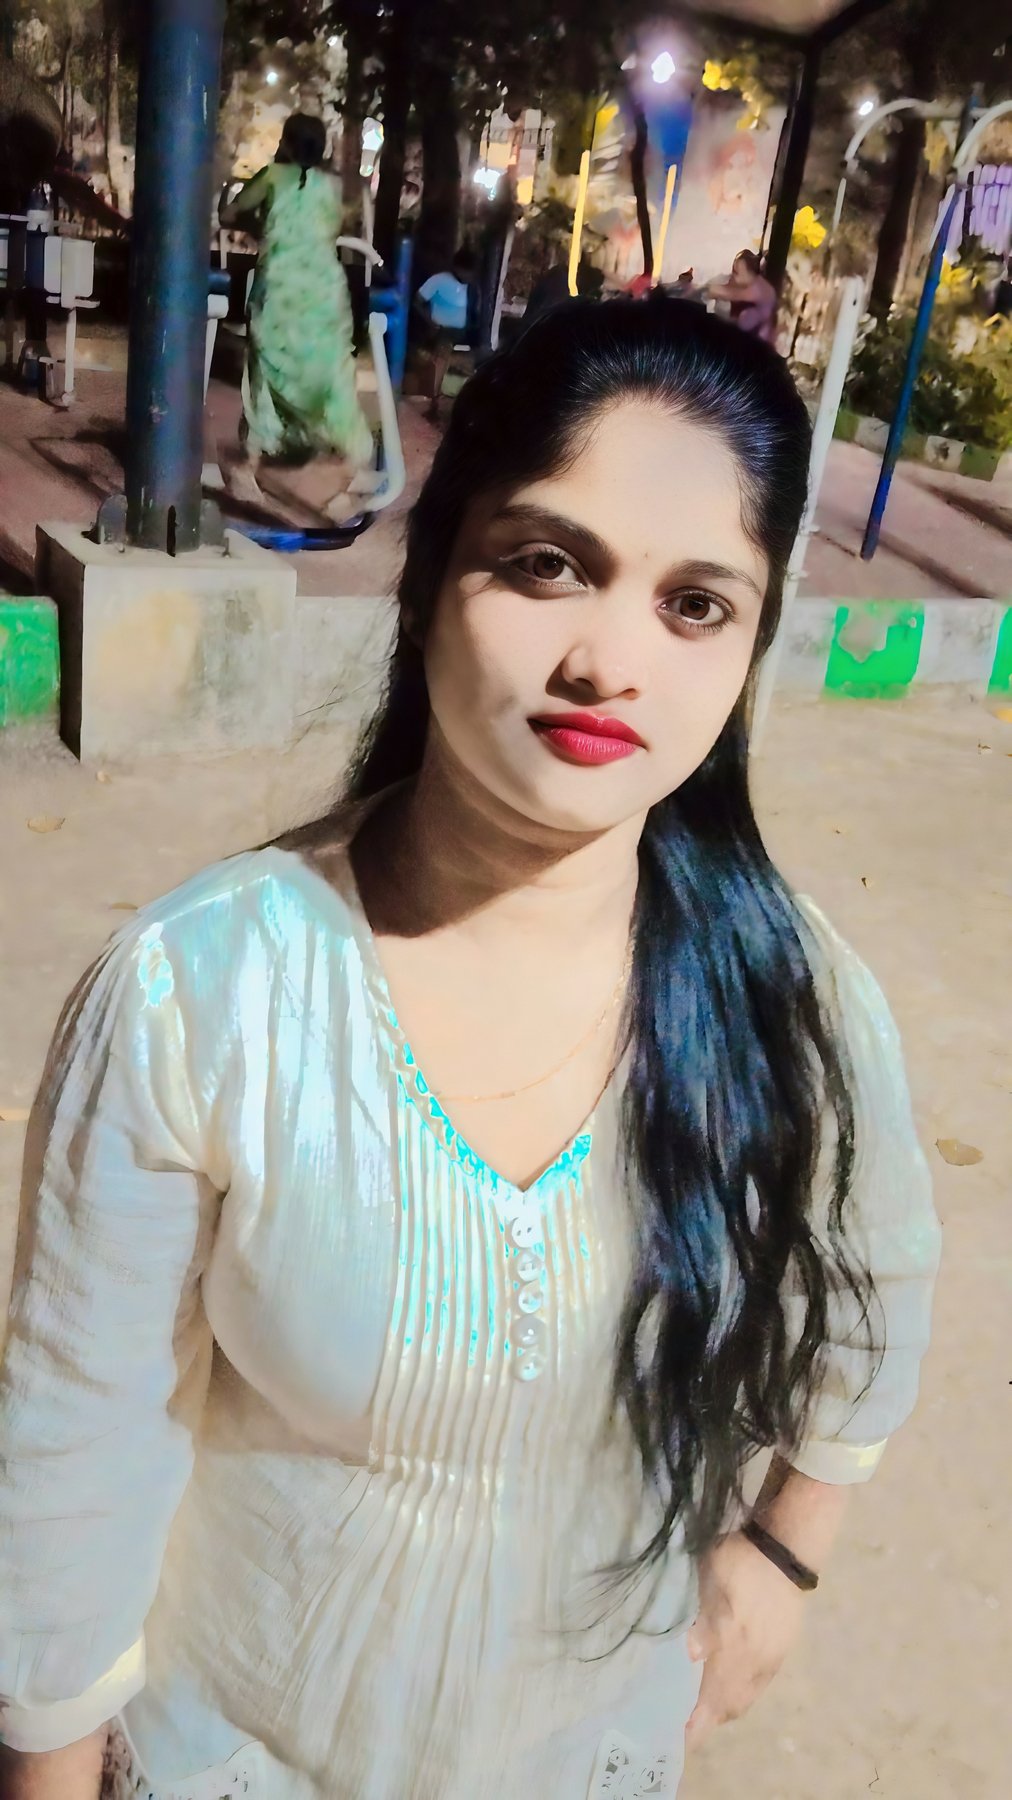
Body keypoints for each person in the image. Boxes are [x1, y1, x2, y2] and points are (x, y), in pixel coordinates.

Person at [0, 300, 940, 1800]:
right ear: (432, 574)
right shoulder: (205, 992)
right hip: (236, 1757)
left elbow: (876, 1281)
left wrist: (781, 1549)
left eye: (695, 605)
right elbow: (75, 1453)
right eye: (549, 564)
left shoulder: (792, 995)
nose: (609, 661)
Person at [218, 112, 375, 511]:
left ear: (286, 142)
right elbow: (330, 228)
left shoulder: (271, 176)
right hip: (324, 292)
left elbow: (229, 215)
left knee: (267, 375)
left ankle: (251, 464)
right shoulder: (334, 187)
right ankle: (344, 466)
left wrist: (254, 218)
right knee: (327, 371)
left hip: (280, 290)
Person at [414, 244, 478, 422]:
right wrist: (430, 322)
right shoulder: (439, 280)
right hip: (442, 331)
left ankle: (442, 401)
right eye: (467, 272)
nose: (469, 277)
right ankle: (434, 403)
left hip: (462, 334)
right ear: (457, 267)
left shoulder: (472, 287)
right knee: (441, 361)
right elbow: (417, 301)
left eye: (472, 273)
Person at [709, 248, 779, 346]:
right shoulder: (749, 286)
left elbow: (732, 294)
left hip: (755, 345)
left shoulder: (758, 288)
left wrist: (709, 290)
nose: (733, 276)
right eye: (733, 271)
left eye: (736, 272)